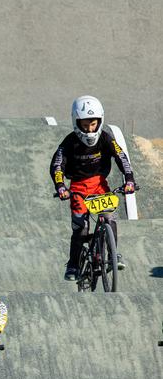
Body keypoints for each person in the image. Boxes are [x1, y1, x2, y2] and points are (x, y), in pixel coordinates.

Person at [50, 95, 136, 281]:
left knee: (109, 218)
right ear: (76, 122)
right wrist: (60, 187)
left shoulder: (105, 137)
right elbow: (57, 165)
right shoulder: (69, 143)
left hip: (100, 186)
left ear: (100, 121)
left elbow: (121, 157)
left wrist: (129, 180)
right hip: (78, 189)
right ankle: (73, 265)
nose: (90, 129)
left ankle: (113, 253)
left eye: (93, 124)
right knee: (80, 227)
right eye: (85, 125)